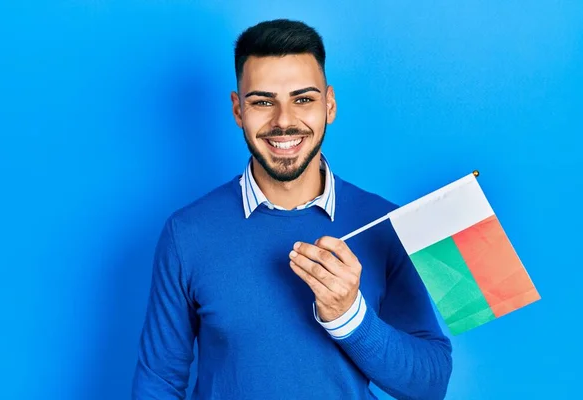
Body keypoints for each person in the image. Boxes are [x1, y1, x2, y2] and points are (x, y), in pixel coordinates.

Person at [132, 18, 453, 400]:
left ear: (329, 105)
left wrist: (350, 317)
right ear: (238, 111)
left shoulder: (385, 225)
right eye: (263, 102)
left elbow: (430, 385)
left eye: (303, 99)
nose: (284, 121)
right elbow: (159, 383)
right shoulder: (186, 234)